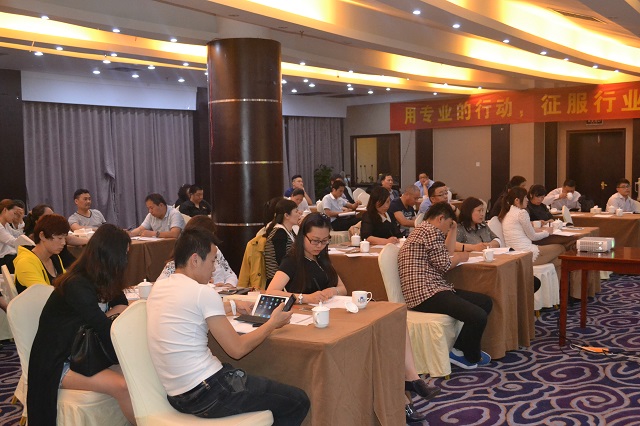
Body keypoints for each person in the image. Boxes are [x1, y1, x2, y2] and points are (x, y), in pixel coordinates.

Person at [265, 213, 439, 422]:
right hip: (313, 321)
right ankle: (405, 395)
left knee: (392, 323)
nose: (320, 246)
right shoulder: (293, 260)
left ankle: (411, 378)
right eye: (315, 241)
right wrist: (304, 297)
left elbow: (342, 288)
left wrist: (332, 291)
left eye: (324, 241)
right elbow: (271, 291)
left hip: (335, 313)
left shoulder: (321, 258)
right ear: (303, 236)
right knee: (375, 344)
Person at [147, 229, 310, 423]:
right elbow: (237, 349)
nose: (214, 268)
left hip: (177, 397)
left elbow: (188, 309)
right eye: (212, 261)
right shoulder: (201, 292)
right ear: (195, 260)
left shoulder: (159, 287)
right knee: (298, 401)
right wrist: (272, 323)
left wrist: (232, 305)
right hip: (208, 393)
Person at [27, 224, 135, 425]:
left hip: (85, 351)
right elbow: (103, 328)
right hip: (59, 361)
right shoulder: (77, 284)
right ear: (109, 256)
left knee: (139, 374)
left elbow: (121, 303)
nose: (126, 260)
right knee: (123, 385)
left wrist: (110, 316)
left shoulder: (102, 277)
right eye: (124, 255)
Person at [398, 202, 493, 369]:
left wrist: (453, 229)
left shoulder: (424, 230)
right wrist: (461, 257)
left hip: (433, 288)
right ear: (440, 218)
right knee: (478, 315)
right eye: (449, 224)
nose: (447, 229)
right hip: (425, 294)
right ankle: (470, 356)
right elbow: (445, 264)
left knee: (485, 302)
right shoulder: (430, 231)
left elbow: (446, 254)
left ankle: (458, 349)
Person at [157, 215, 238, 288]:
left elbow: (231, 275)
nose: (212, 240)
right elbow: (160, 285)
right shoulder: (179, 261)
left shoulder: (215, 251)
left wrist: (227, 286)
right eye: (210, 236)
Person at [500, 187, 565, 273]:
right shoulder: (522, 213)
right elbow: (533, 237)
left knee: (557, 260)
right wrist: (547, 232)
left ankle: (550, 280)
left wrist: (538, 230)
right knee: (561, 248)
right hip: (526, 252)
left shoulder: (508, 213)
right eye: (525, 197)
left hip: (515, 252)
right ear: (517, 200)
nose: (527, 200)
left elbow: (522, 230)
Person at [14, 214, 73, 293]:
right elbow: (44, 293)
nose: (63, 243)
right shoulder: (25, 262)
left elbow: (65, 283)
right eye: (59, 238)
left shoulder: (54, 257)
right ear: (42, 236)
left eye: (65, 238)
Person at [264, 199, 299, 284]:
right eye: (296, 211)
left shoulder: (289, 231)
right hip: (278, 280)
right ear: (287, 215)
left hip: (287, 277)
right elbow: (282, 261)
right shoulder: (279, 233)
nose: (299, 214)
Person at [0, 199, 21, 273]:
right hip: (2, 260)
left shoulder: (6, 225)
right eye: (14, 213)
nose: (15, 216)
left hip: (8, 258)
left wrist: (20, 220)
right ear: (5, 210)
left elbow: (18, 235)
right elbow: (13, 241)